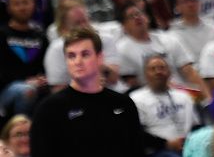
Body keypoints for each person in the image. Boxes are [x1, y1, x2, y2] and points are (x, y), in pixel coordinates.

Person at [30, 27, 144, 157]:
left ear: (99, 58)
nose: (78, 62)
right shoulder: (49, 109)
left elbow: (137, 150)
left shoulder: (123, 104)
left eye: (85, 54)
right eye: (71, 56)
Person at [130, 55, 198, 157]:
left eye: (162, 68)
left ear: (170, 72)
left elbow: (195, 126)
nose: (158, 72)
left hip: (189, 146)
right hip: (158, 151)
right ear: (145, 74)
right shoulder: (136, 99)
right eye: (153, 69)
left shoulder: (183, 96)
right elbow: (136, 133)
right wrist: (166, 144)